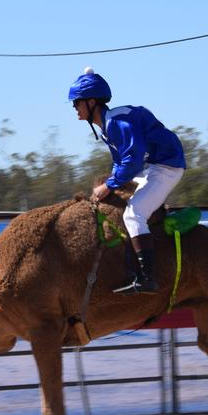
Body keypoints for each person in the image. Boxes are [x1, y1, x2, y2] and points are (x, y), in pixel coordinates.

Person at [68, 67, 186, 294]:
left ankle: (147, 278)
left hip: (166, 167)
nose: (75, 109)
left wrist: (109, 185)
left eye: (77, 103)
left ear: (91, 102)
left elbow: (131, 162)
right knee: (119, 200)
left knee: (133, 214)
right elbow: (119, 163)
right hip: (152, 167)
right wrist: (109, 184)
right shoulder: (107, 128)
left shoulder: (117, 123)